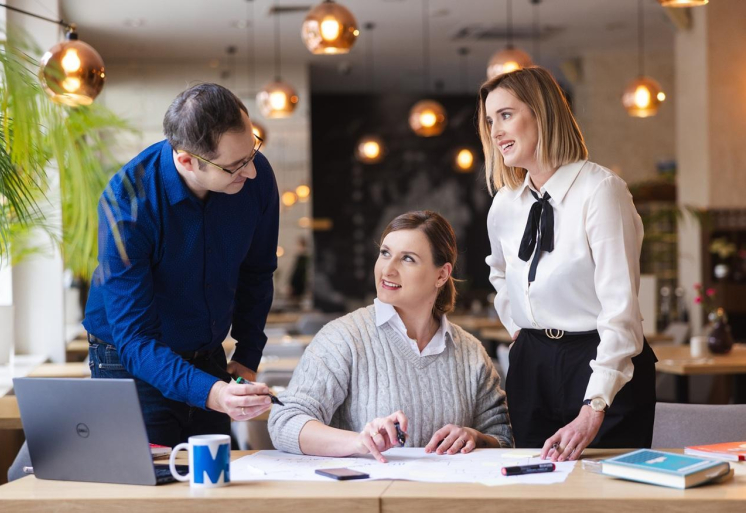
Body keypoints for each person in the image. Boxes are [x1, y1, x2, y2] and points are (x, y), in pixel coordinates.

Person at [82, 83, 279, 445]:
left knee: (212, 480)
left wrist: (248, 355)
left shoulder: (256, 175)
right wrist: (214, 393)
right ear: (187, 160)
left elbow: (257, 271)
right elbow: (135, 338)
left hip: (207, 353)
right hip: (129, 360)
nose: (250, 173)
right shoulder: (127, 200)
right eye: (235, 165)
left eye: (252, 152)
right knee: (152, 490)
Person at [480, 67, 657, 462]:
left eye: (506, 115)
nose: (494, 132)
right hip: (532, 364)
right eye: (490, 121)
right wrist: (522, 330)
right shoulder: (505, 204)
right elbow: (499, 272)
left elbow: (620, 307)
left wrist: (594, 404)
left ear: (541, 113)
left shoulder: (601, 191)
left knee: (606, 493)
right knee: (533, 487)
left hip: (602, 358)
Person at [269, 211, 512, 462]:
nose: (388, 268)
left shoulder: (471, 353)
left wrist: (474, 436)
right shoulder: (343, 338)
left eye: (407, 258)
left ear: (441, 275)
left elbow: (503, 438)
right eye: (385, 253)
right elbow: (284, 422)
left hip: (445, 497)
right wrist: (357, 441)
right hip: (365, 496)